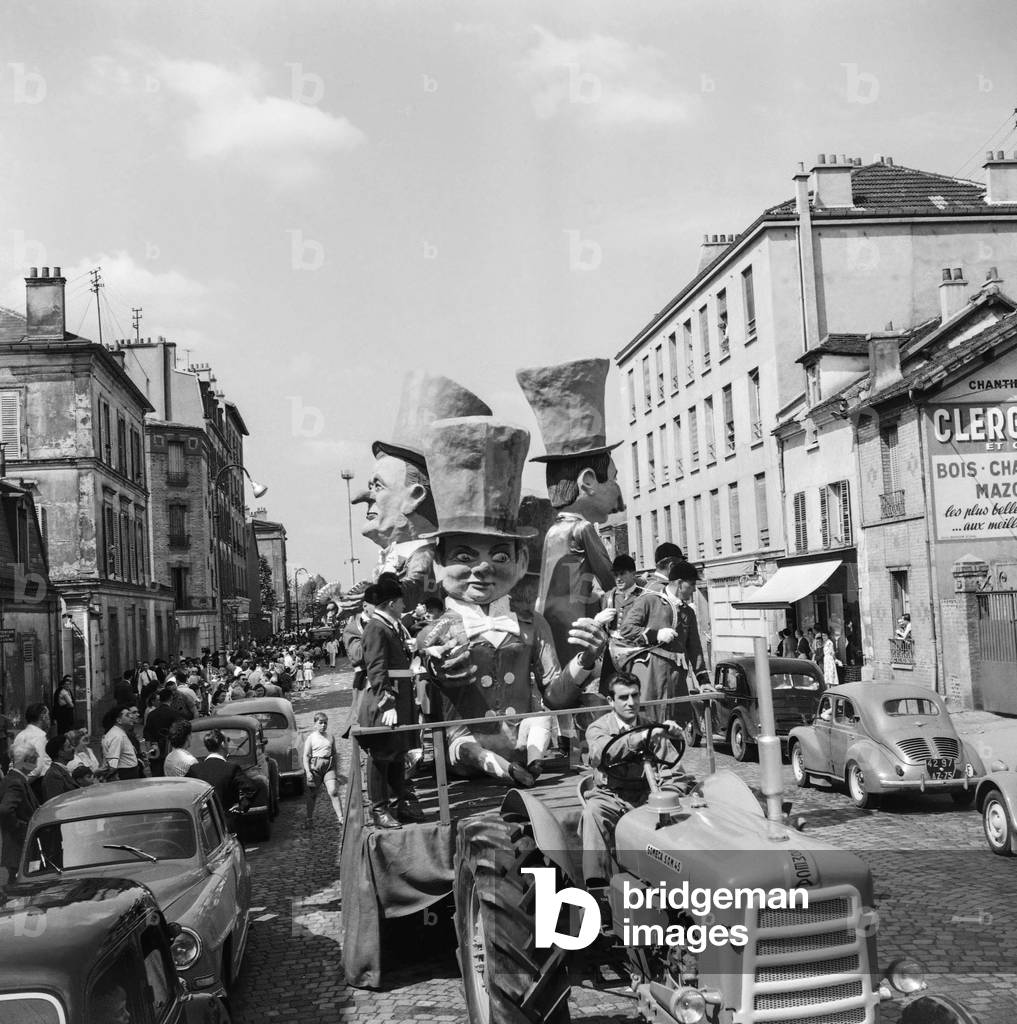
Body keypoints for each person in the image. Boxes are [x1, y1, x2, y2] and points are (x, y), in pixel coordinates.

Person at [580, 673, 687, 886]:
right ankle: (597, 889)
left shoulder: (653, 728)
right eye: (623, 697)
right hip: (611, 798)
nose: (631, 702)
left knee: (684, 814)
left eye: (635, 695)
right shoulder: (598, 728)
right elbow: (601, 753)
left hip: (647, 798)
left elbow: (676, 773)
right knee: (591, 813)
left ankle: (679, 884)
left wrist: (672, 737)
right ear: (611, 701)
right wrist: (639, 738)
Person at [618, 560, 710, 729]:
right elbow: (626, 628)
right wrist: (655, 634)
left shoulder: (687, 611)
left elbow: (694, 648)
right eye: (692, 584)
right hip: (651, 672)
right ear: (680, 583)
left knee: (675, 724)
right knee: (648, 721)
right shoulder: (650, 600)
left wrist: (703, 679)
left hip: (676, 678)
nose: (694, 589)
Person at [359, 575, 418, 828]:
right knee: (381, 754)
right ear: (392, 603)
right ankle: (379, 809)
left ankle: (398, 803)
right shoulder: (376, 627)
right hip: (388, 698)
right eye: (401, 602)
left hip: (400, 694)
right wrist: (387, 703)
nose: (404, 606)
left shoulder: (389, 626)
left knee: (397, 753)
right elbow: (376, 668)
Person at [0, 738, 40, 880]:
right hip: (19, 848)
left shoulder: (15, 779)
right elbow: (5, 810)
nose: (38, 759)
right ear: (27, 760)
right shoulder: (16, 782)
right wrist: (22, 829)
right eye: (35, 757)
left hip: (18, 849)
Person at [303, 712, 344, 829]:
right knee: (312, 795)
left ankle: (341, 818)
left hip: (328, 768)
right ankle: (309, 819)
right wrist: (308, 772)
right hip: (315, 769)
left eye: (325, 723)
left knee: (333, 791)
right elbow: (306, 756)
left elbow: (334, 754)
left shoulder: (330, 737)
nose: (323, 725)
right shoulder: (311, 738)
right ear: (315, 724)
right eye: (320, 723)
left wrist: (336, 772)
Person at [187, 729, 244, 810]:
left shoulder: (194, 769)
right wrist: (241, 807)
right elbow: (251, 789)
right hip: (227, 819)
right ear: (223, 744)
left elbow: (184, 791)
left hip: (202, 818)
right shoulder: (232, 768)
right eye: (227, 740)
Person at [143, 689, 181, 777]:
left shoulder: (152, 714)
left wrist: (149, 753)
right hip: (172, 750)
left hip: (155, 750)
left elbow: (147, 735)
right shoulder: (175, 714)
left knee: (157, 777)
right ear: (171, 698)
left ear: (160, 699)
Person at [14, 703, 51, 791]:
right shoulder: (40, 736)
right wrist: (23, 785)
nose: (49, 719)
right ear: (43, 716)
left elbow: (16, 763)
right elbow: (37, 769)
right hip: (37, 784)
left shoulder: (20, 735)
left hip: (23, 780)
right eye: (48, 715)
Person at [101, 705, 141, 780]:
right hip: (125, 776)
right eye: (127, 715)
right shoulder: (117, 736)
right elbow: (112, 764)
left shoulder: (120, 733)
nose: (131, 717)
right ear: (119, 720)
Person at [41, 734, 79, 802]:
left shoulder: (61, 771)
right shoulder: (53, 775)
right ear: (61, 753)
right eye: (69, 747)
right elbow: (56, 803)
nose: (73, 748)